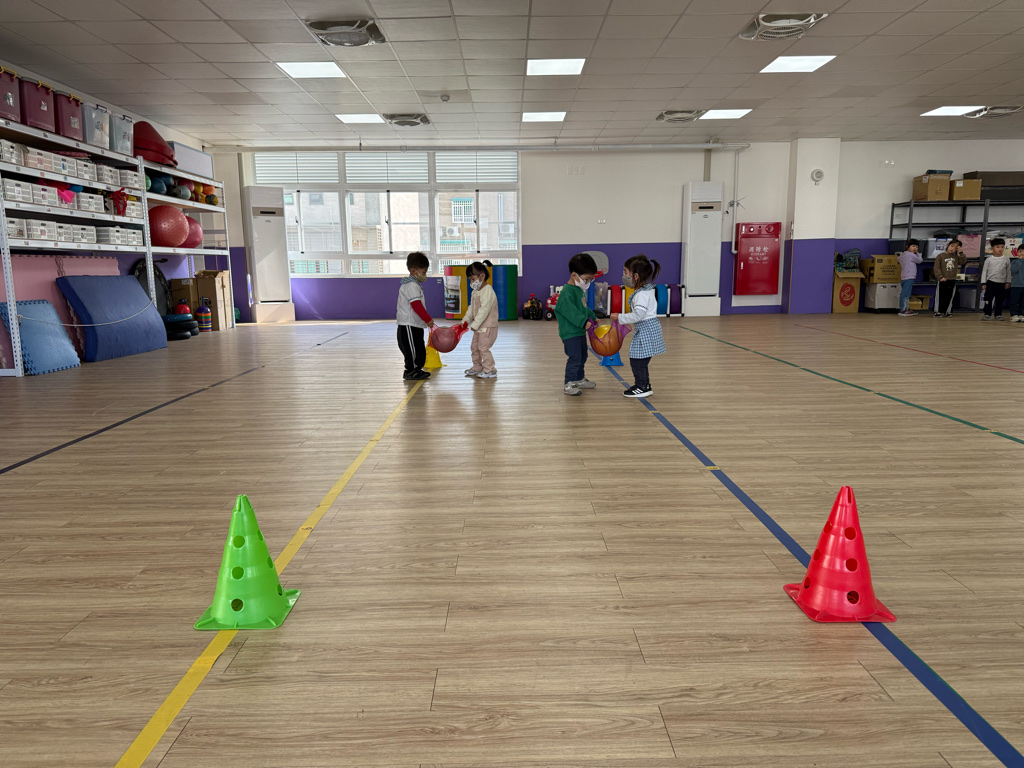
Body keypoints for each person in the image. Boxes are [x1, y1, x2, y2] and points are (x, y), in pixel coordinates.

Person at [612, 255, 666, 398]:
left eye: (625, 272)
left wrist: (620, 317)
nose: (623, 276)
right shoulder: (645, 291)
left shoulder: (641, 295)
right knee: (639, 360)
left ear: (635, 276)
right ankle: (644, 385)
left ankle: (642, 386)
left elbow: (638, 315)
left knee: (637, 361)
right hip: (647, 329)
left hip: (646, 331)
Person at [555, 252, 599, 397]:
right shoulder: (567, 292)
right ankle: (569, 383)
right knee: (575, 358)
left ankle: (579, 379)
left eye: (591, 279)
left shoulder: (578, 290)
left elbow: (583, 308)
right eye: (587, 279)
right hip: (570, 333)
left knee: (583, 356)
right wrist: (583, 321)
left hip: (579, 332)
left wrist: (592, 317)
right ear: (574, 275)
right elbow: (570, 312)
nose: (588, 282)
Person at [396, 251, 435, 380]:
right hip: (408, 324)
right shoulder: (410, 285)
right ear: (413, 271)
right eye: (423, 272)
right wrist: (427, 319)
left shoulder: (414, 284)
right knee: (412, 349)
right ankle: (410, 371)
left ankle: (417, 369)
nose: (424, 275)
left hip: (415, 324)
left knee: (418, 347)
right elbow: (416, 305)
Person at [461, 260, 498, 378]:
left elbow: (484, 309)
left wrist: (475, 324)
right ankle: (477, 366)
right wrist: (465, 321)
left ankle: (490, 369)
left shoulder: (488, 291)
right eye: (470, 280)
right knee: (474, 347)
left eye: (473, 279)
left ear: (482, 276)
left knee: (483, 348)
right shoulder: (475, 292)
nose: (471, 282)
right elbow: (472, 308)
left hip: (487, 326)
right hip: (479, 326)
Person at [933, 239, 965, 317]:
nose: (952, 248)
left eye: (955, 248)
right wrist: (940, 276)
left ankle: (948, 311)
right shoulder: (941, 256)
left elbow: (963, 262)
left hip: (952, 279)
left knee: (950, 296)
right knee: (940, 296)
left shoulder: (956, 257)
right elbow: (936, 267)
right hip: (942, 279)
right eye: (951, 246)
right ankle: (937, 311)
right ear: (948, 245)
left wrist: (961, 253)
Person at [981, 237, 1011, 321]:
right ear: (992, 248)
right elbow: (984, 271)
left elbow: (1008, 271)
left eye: (1002, 247)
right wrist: (983, 282)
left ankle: (998, 314)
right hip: (991, 282)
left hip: (1002, 283)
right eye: (997, 247)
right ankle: (987, 313)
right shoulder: (989, 260)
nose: (1000, 249)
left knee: (1000, 300)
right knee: (988, 299)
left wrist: (1008, 281)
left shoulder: (1006, 259)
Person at [897, 239, 922, 317]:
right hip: (910, 276)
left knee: (905, 293)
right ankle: (903, 310)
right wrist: (918, 254)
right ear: (907, 246)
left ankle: (906, 308)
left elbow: (898, 259)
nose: (915, 248)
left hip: (903, 277)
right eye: (913, 246)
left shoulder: (903, 255)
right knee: (906, 294)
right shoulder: (911, 255)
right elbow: (920, 260)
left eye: (916, 247)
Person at [1009, 244, 1024, 322]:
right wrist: (1020, 261)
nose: (1022, 253)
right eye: (1020, 251)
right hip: (1016, 285)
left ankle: (1022, 314)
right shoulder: (1014, 262)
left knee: (1023, 302)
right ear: (1017, 253)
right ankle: (1014, 314)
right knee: (1014, 301)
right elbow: (1013, 270)